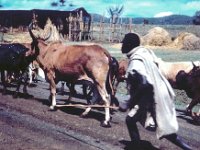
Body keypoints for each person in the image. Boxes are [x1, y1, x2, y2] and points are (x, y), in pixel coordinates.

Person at [120, 33, 192, 150]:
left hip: (150, 96)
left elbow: (144, 85)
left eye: (123, 43)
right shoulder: (144, 53)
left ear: (129, 45)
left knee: (131, 120)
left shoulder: (136, 62)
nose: (121, 45)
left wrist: (128, 103)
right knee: (160, 125)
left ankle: (136, 146)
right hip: (157, 91)